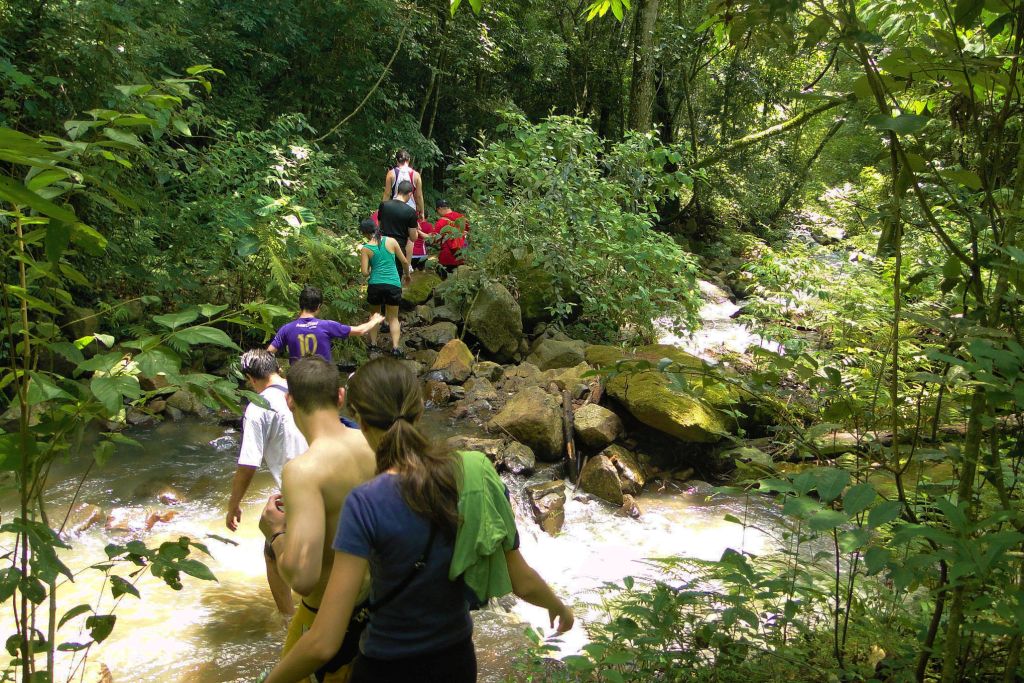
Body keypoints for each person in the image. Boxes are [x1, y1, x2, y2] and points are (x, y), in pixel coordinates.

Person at [263, 358, 574, 683]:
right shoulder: (472, 473)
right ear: (420, 411)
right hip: (455, 661)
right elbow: (521, 580)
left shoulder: (365, 502)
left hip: (386, 668)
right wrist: (558, 608)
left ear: (361, 421)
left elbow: (324, 642)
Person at [258, 356, 377, 682]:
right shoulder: (372, 443)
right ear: (340, 396)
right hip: (380, 612)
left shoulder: (303, 471)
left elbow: (304, 578)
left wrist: (276, 532)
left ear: (290, 400)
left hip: (325, 619)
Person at [225, 349, 308, 617]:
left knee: (273, 552)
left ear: (250, 378)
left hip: (296, 488)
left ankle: (289, 620)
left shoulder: (257, 407)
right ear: (277, 368)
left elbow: (248, 463)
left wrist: (233, 504)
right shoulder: (302, 391)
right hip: (326, 476)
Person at [268, 286, 384, 363]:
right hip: (322, 380)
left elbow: (268, 353)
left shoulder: (287, 329)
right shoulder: (327, 326)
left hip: (299, 382)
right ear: (319, 307)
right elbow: (360, 331)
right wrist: (374, 320)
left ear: (300, 305)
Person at [359, 219, 408, 357]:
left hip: (375, 285)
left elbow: (364, 272)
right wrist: (408, 275)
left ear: (365, 233)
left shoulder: (366, 248)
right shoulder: (391, 241)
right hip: (393, 284)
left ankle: (374, 345)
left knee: (375, 316)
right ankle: (396, 347)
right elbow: (404, 261)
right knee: (393, 318)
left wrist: (371, 271)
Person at [376, 181, 419, 279]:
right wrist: (416, 229)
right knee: (395, 278)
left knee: (380, 274)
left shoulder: (384, 205)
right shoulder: (411, 212)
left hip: (381, 245)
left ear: (398, 191)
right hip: (398, 249)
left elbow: (379, 225)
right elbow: (413, 238)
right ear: (410, 194)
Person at [426, 199, 469, 277]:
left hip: (447, 257)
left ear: (440, 209)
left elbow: (435, 239)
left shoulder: (441, 222)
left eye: (437, 211)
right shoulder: (462, 218)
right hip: (462, 254)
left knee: (445, 280)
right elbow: (468, 231)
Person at [381, 150, 425, 219]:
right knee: (411, 229)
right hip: (411, 209)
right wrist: (422, 212)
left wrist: (382, 210)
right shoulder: (416, 175)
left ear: (397, 160)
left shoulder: (391, 173)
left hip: (395, 208)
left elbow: (387, 193)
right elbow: (419, 196)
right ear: (409, 159)